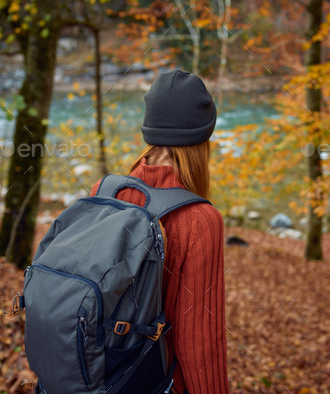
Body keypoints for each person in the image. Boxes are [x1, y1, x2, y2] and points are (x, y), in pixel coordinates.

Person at [90, 69, 229, 393]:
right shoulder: (200, 220)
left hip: (96, 375)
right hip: (153, 382)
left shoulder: (106, 190)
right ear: (202, 138)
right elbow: (200, 342)